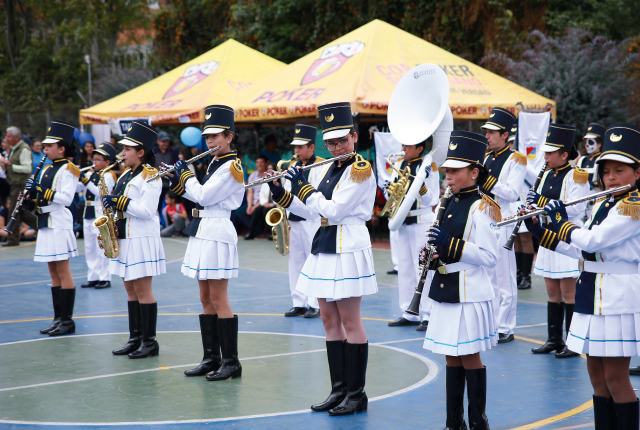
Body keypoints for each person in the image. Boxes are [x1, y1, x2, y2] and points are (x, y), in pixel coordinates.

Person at [524, 123, 640, 428]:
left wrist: (560, 220)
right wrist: (543, 232)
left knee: (616, 378)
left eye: (620, 170)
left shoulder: (634, 207)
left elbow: (593, 241)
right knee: (596, 377)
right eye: (606, 171)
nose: (611, 177)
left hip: (617, 299)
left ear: (637, 173)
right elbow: (582, 252)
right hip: (591, 293)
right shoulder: (605, 203)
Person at [269, 102, 377, 416]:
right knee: (328, 320)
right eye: (330, 142)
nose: (336, 146)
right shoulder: (328, 168)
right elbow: (311, 209)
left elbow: (333, 209)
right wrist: (282, 194)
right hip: (325, 242)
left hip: (349, 245)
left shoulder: (361, 169)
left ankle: (356, 395)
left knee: (350, 321)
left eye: (342, 140)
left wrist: (302, 188)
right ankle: (338, 390)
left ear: (354, 137)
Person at [421, 130, 499, 430]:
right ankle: (454, 422)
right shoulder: (448, 202)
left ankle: (479, 422)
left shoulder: (483, 207)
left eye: (455, 170)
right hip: (445, 289)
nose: (448, 175)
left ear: (474, 172)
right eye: (448, 170)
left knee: (468, 357)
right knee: (450, 358)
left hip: (468, 291)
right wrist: (432, 258)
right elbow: (443, 246)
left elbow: (489, 256)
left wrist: (449, 245)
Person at [167, 104, 245, 381]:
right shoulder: (214, 162)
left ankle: (231, 362)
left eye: (215, 137)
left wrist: (185, 173)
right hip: (201, 227)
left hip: (217, 229)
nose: (210, 142)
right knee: (203, 296)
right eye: (208, 138)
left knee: (218, 297)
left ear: (229, 137)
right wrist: (175, 179)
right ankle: (211, 357)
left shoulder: (232, 166)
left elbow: (203, 195)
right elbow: (195, 196)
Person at [103, 121, 166, 359]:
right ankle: (135, 338)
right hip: (125, 237)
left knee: (143, 290)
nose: (122, 153)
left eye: (127, 149)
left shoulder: (151, 176)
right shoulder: (126, 175)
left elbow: (147, 210)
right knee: (130, 290)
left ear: (140, 152)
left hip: (141, 238)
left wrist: (120, 202)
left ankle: (149, 343)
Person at [526, 123, 589, 358]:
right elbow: (543, 204)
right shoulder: (546, 174)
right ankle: (554, 339)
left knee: (568, 292)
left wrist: (540, 201)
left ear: (564, 154)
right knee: (552, 291)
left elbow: (576, 208)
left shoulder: (577, 175)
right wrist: (532, 206)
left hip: (566, 236)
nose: (546, 157)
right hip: (547, 237)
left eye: (550, 153)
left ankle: (571, 342)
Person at [22, 120, 80, 336]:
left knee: (63, 271)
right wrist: (29, 199)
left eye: (49, 146)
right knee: (53, 272)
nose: (45, 149)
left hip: (59, 223)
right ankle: (58, 318)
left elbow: (65, 199)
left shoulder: (70, 169)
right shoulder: (47, 168)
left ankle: (67, 321)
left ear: (62, 148)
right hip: (46, 223)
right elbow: (42, 198)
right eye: (44, 146)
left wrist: (40, 189)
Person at [479, 108, 526, 343]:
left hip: (504, 220)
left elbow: (512, 193)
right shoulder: (487, 157)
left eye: (491, 132)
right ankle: (491, 322)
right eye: (486, 132)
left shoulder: (516, 159)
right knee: (487, 275)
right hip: (485, 220)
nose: (487, 136)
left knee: (505, 277)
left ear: (505, 134)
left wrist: (486, 181)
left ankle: (506, 326)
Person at [271, 123, 324, 318]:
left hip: (312, 220)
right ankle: (299, 301)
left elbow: (317, 192)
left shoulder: (321, 164)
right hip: (294, 219)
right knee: (295, 262)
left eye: (300, 147)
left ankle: (315, 303)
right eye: (295, 147)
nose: (296, 151)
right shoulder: (293, 165)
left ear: (311, 147)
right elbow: (286, 191)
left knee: (314, 261)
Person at [386, 141, 440, 331]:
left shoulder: (429, 166)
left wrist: (421, 185)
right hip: (403, 221)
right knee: (406, 268)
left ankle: (428, 313)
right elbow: (391, 196)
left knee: (424, 268)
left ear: (419, 149)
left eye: (407, 146)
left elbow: (432, 199)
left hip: (421, 220)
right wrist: (390, 191)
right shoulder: (400, 164)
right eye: (403, 145)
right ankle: (409, 312)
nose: (403, 149)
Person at [78, 142, 117, 289]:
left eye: (98, 159)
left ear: (107, 162)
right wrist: (72, 177)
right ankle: (93, 276)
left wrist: (85, 180)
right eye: (93, 159)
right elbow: (78, 189)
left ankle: (105, 277)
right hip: (87, 212)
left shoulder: (108, 175)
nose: (94, 162)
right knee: (89, 248)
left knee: (102, 247)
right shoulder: (90, 173)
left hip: (100, 213)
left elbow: (99, 193)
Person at [1, 126, 33, 247]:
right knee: (21, 211)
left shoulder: (23, 149)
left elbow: (27, 168)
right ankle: (41, 226)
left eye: (9, 136)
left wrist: (11, 166)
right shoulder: (14, 148)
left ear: (16, 137)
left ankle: (13, 239)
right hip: (15, 183)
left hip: (21, 184)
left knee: (14, 211)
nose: (7, 138)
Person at [245, 155, 270, 239]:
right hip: (254, 202)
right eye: (257, 162)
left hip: (265, 202)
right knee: (239, 212)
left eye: (261, 162)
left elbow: (265, 196)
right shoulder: (252, 176)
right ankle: (256, 230)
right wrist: (249, 206)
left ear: (266, 163)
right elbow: (250, 193)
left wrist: (254, 207)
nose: (259, 164)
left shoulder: (270, 175)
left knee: (257, 210)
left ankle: (252, 231)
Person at [153, 130, 179, 211]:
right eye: (163, 141)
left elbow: (177, 165)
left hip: (169, 181)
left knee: (170, 201)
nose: (165, 143)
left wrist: (170, 172)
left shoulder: (173, 151)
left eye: (167, 141)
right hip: (156, 180)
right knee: (157, 202)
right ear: (158, 141)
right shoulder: (154, 151)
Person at [576, 123, 606, 191]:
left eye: (591, 142)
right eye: (586, 142)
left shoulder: (602, 160)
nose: (587, 145)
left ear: (599, 144)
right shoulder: (582, 160)